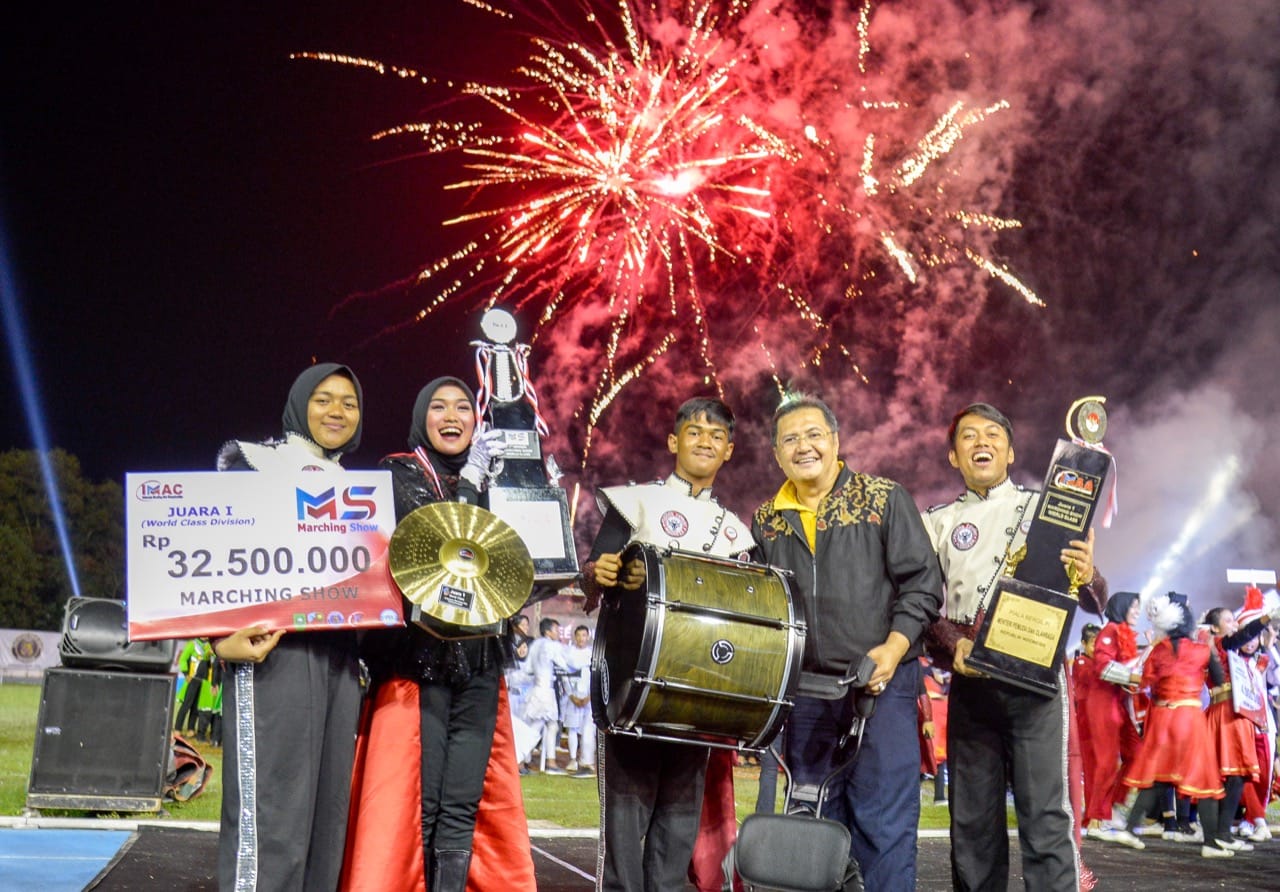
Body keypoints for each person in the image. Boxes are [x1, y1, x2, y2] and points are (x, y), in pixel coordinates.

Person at [341, 376, 535, 892]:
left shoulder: (496, 480)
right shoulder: (397, 473)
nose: (452, 416)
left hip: (478, 658)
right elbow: (438, 544)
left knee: (463, 799)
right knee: (422, 797)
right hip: (418, 660)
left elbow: (519, 564)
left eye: (463, 407)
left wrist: (533, 488)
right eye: (438, 407)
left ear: (477, 421)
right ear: (421, 419)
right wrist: (471, 484)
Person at [752, 393, 943, 891]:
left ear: (836, 441)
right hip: (806, 696)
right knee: (814, 825)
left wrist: (894, 649)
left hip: (882, 687)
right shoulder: (766, 518)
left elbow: (923, 585)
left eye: (814, 434)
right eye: (790, 439)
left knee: (882, 825)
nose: (804, 446)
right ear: (776, 454)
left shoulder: (883, 498)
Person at [921, 402, 1108, 891]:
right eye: (968, 437)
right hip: (971, 682)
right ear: (953, 457)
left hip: (1038, 684)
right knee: (972, 824)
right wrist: (951, 645)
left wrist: (1089, 574)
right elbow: (920, 604)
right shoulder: (934, 522)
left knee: (1046, 818)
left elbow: (1094, 598)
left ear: (1011, 452)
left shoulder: (1047, 507)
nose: (981, 443)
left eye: (992, 435)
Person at [582, 396, 754, 892]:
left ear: (729, 451)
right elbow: (593, 575)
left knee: (679, 815)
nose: (705, 441)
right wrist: (601, 573)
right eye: (695, 432)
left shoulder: (736, 532)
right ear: (674, 442)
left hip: (696, 692)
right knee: (626, 814)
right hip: (631, 686)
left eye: (716, 436)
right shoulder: (637, 501)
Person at [212, 362, 364, 891]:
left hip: (338, 661)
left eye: (349, 401)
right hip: (272, 654)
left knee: (324, 825)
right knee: (273, 819)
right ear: (300, 403)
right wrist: (217, 641)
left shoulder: (354, 488)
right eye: (323, 398)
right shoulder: (256, 462)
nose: (337, 411)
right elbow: (206, 558)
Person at [1111, 593, 1230, 859]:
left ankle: (1130, 830)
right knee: (1204, 778)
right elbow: (1219, 680)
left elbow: (1145, 683)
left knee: (1156, 777)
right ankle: (1210, 843)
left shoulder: (1158, 650)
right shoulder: (1201, 650)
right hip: (1189, 718)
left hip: (1164, 718)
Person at [1084, 591, 1145, 837]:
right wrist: (1137, 678)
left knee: (1138, 756)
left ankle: (1115, 807)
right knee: (1107, 761)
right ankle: (1098, 819)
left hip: (1120, 703)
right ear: (1121, 607)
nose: (1138, 612)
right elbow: (1102, 666)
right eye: (1134, 607)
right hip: (1103, 702)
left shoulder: (1123, 633)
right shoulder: (1110, 630)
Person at [525, 617, 568, 774]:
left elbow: (528, 669)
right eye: (556, 630)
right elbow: (565, 664)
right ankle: (520, 759)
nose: (558, 633)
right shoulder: (551, 645)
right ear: (548, 631)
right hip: (545, 691)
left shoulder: (535, 644)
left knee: (551, 726)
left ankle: (550, 762)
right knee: (537, 727)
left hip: (536, 689)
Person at [561, 624, 596, 776]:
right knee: (573, 729)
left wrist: (590, 697)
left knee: (589, 730)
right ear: (574, 637)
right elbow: (564, 676)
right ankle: (573, 759)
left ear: (588, 637)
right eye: (579, 635)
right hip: (573, 697)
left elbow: (596, 678)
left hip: (589, 699)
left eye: (584, 635)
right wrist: (571, 696)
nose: (581, 638)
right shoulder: (568, 653)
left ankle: (586, 761)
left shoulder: (592, 655)